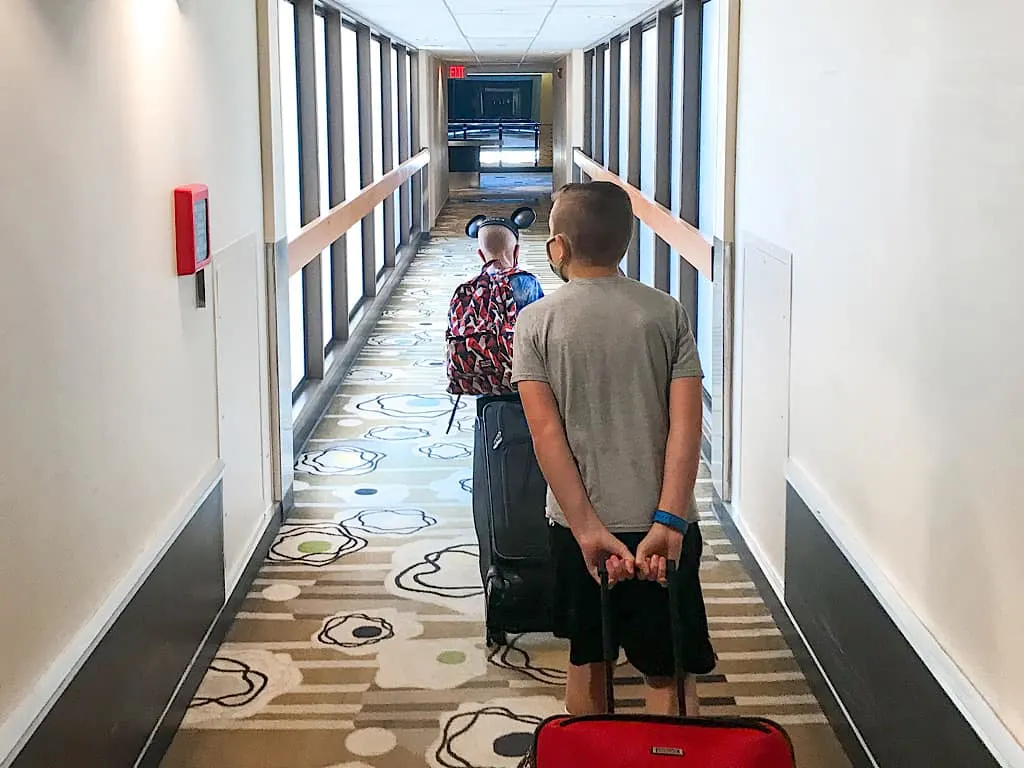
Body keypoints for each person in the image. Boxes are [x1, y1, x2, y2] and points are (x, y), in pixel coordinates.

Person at [511, 182, 715, 717]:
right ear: (626, 241)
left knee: (588, 659)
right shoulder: (666, 313)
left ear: (558, 248)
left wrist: (585, 529)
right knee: (667, 667)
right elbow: (686, 427)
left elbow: (545, 435)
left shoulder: (535, 322)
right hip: (662, 526)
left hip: (580, 528)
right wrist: (669, 521)